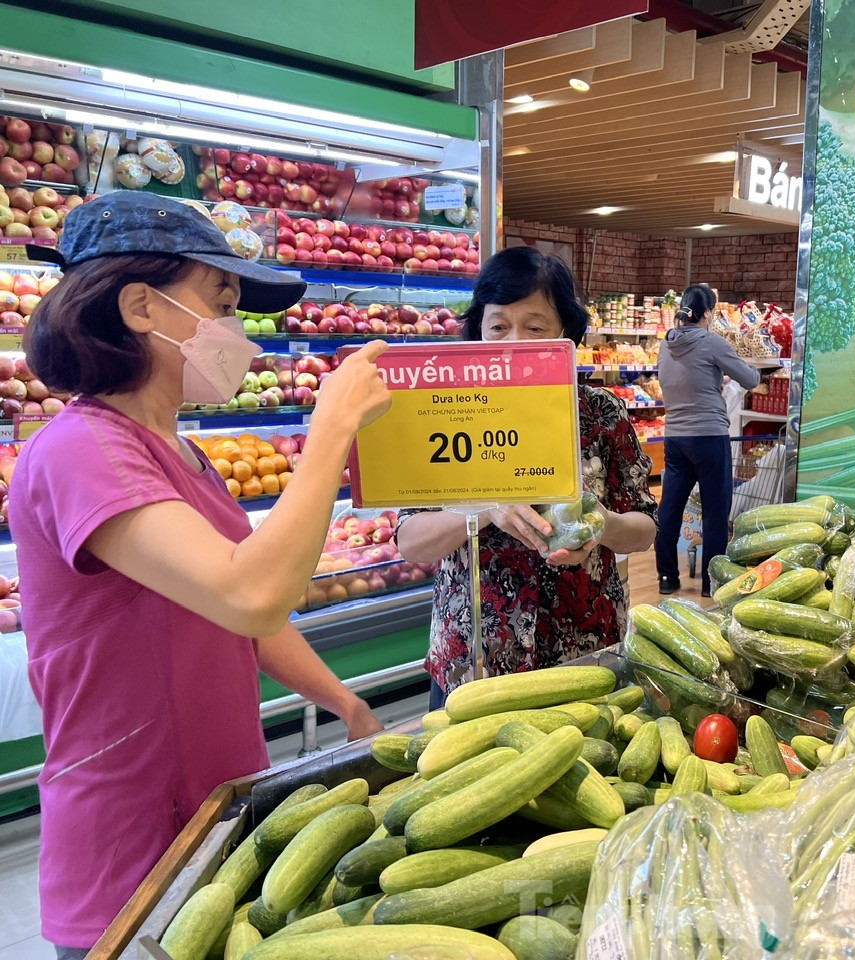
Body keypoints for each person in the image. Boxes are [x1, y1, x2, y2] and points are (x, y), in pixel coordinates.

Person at [10, 192, 392, 959]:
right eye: (220, 304)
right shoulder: (81, 448)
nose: (236, 331)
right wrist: (330, 433)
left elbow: (243, 617)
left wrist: (345, 703)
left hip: (213, 814)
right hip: (130, 844)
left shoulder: (178, 450)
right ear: (142, 306)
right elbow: (248, 594)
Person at [396, 247, 657, 705]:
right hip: (473, 661)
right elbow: (411, 541)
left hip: (583, 656)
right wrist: (483, 509)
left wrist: (602, 526)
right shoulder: (446, 413)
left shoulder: (600, 414)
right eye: (498, 326)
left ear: (566, 335)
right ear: (478, 329)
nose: (513, 342)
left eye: (535, 327)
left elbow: (644, 530)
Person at [655, 284, 760, 596]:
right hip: (709, 436)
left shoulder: (666, 344)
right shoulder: (713, 343)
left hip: (675, 437)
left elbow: (685, 377)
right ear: (706, 314)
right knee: (715, 510)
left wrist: (715, 376)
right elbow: (751, 379)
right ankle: (710, 583)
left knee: (669, 509)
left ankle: (666, 578)